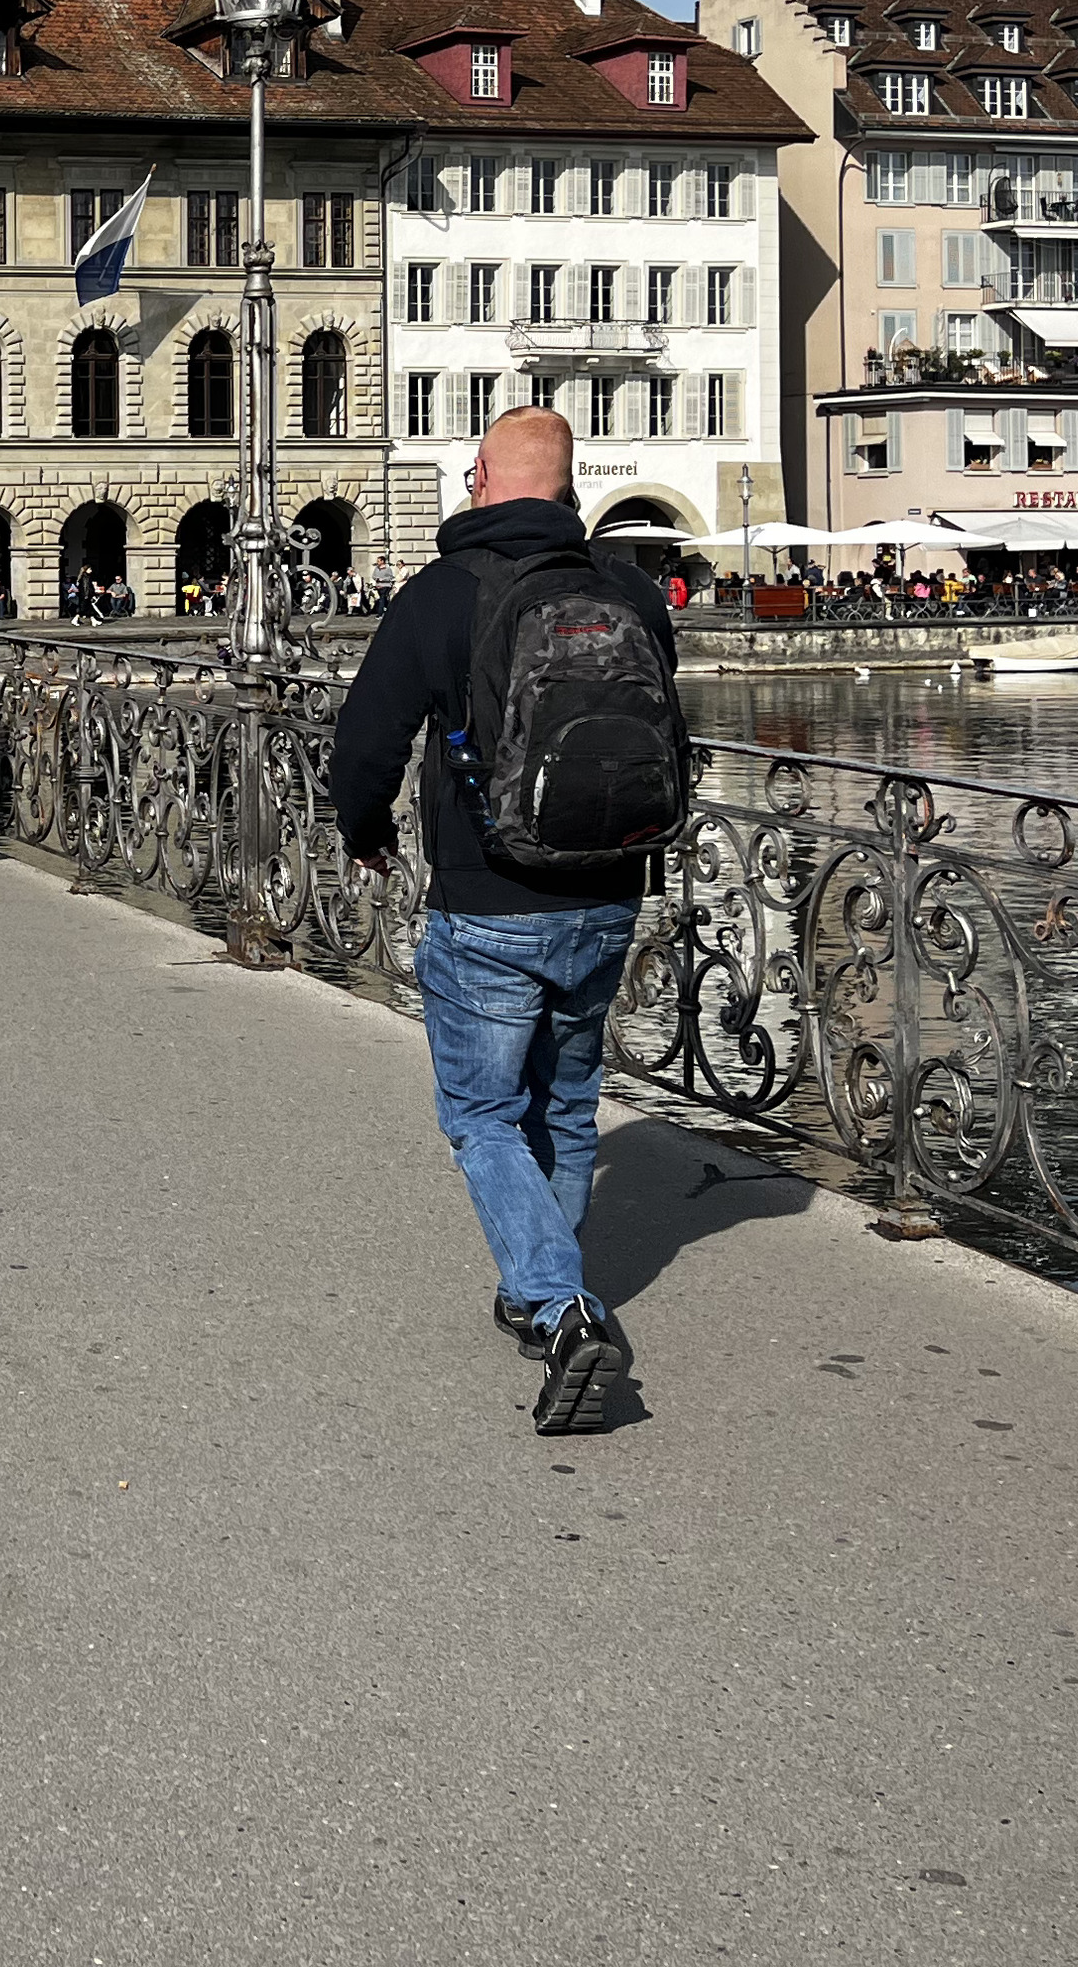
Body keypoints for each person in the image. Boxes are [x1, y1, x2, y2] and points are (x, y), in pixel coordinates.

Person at [322, 406, 679, 1436]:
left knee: (481, 1117)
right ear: (568, 489)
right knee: (565, 1106)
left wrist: (362, 833)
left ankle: (563, 1311)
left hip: (487, 897)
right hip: (608, 890)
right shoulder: (629, 591)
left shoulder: (443, 593)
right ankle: (535, 1293)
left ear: (478, 476)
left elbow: (364, 745)